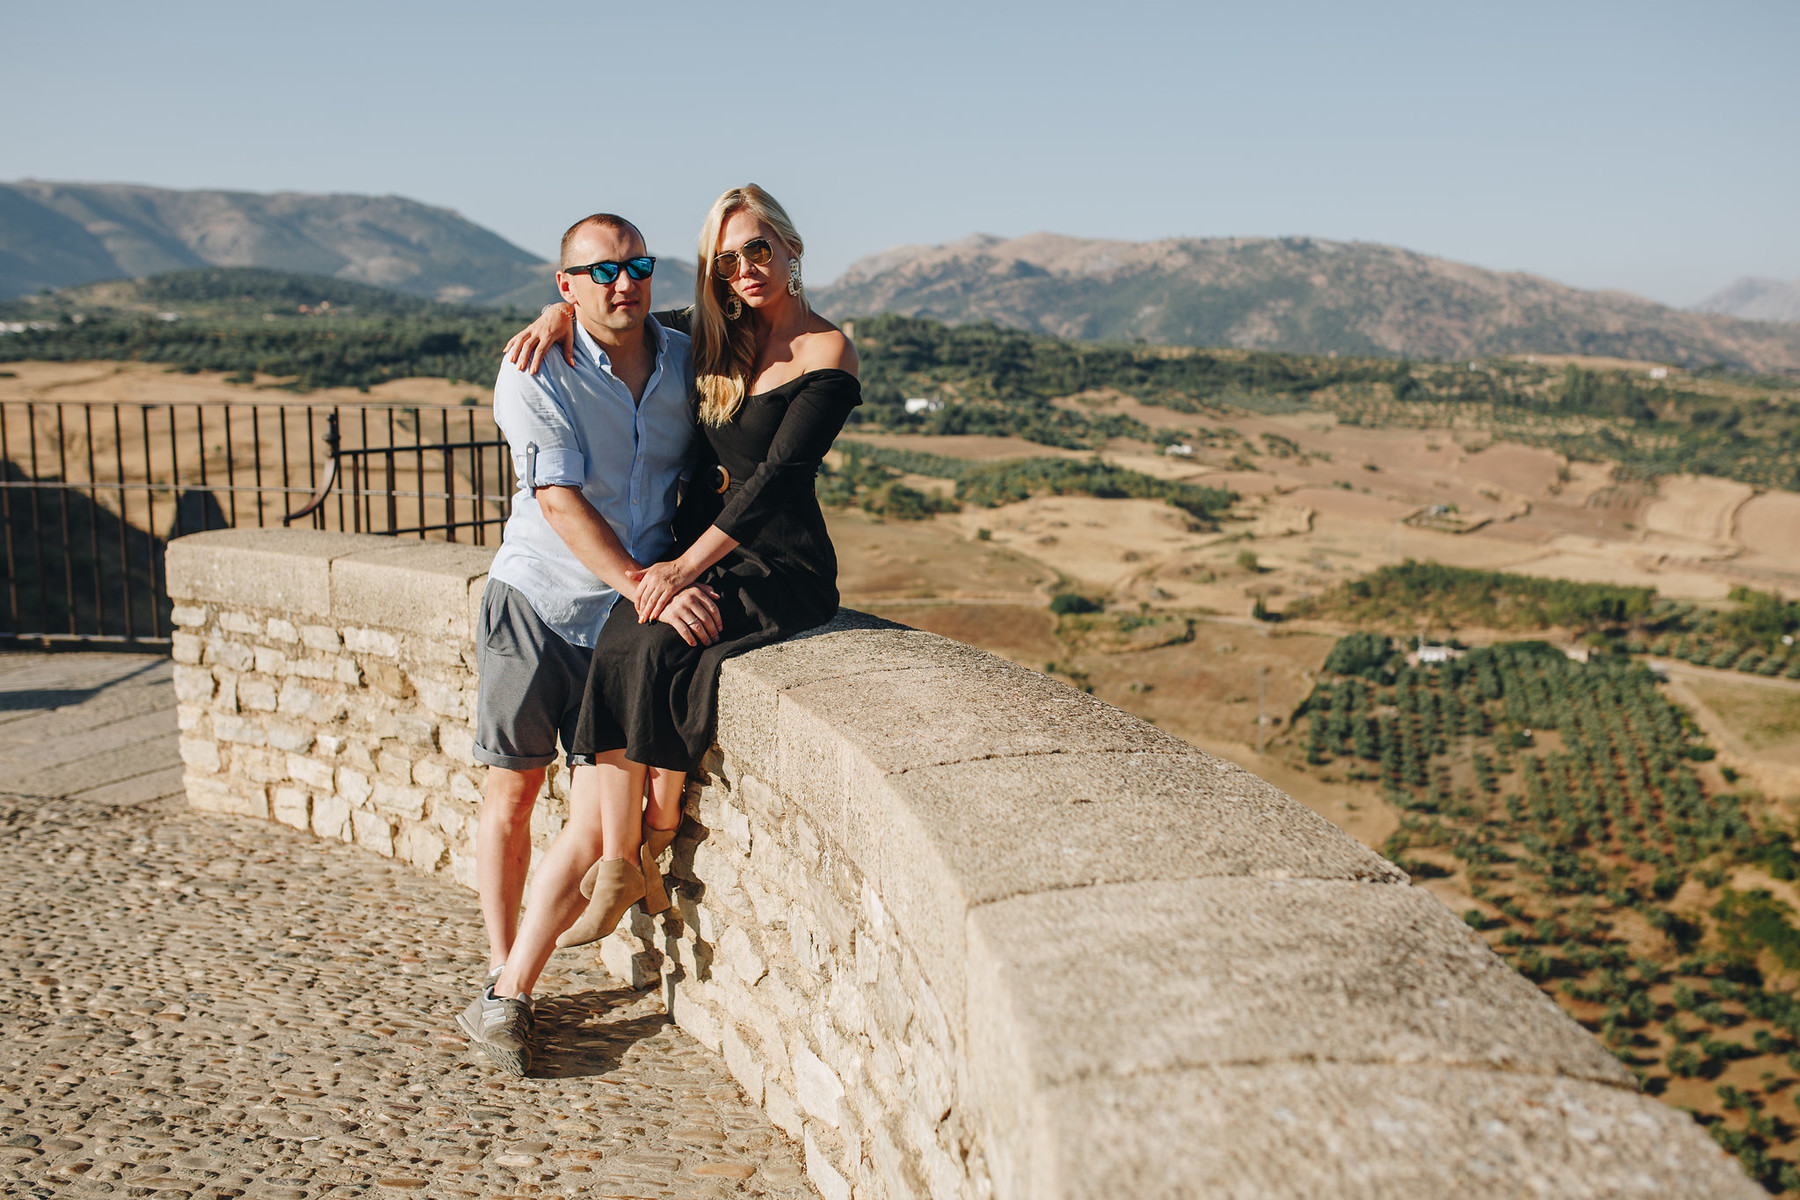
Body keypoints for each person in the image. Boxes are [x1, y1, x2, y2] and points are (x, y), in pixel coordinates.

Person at [484, 184, 860, 1069]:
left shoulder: (820, 351)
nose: (743, 270)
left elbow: (774, 481)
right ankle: (597, 884)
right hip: (652, 569)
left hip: (771, 564)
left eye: (757, 250)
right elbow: (609, 311)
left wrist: (676, 573)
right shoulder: (711, 339)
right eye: (727, 258)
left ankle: (631, 853)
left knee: (645, 639)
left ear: (790, 247)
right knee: (626, 653)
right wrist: (556, 312)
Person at [458, 212, 724, 1077]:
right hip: (542, 600)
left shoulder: (683, 353)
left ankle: (513, 988)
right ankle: (505, 973)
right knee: (512, 789)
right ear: (565, 285)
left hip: (622, 619)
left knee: (588, 808)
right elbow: (560, 498)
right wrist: (645, 583)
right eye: (600, 271)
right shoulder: (536, 366)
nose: (624, 283)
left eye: (637, 265)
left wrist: (644, 589)